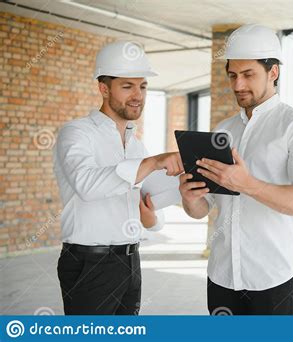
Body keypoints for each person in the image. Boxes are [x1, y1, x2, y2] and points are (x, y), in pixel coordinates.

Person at [178, 24, 293, 315]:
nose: (237, 85)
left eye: (248, 75)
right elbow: (202, 208)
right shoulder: (222, 131)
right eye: (232, 75)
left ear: (273, 73)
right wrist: (188, 197)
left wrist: (247, 184)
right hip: (221, 278)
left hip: (273, 280)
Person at [53, 41, 183, 315]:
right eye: (127, 86)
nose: (138, 95)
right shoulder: (76, 133)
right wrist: (153, 162)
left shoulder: (135, 144)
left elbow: (147, 197)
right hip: (89, 264)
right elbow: (87, 185)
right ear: (104, 88)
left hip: (130, 260)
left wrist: (155, 216)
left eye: (143, 86)